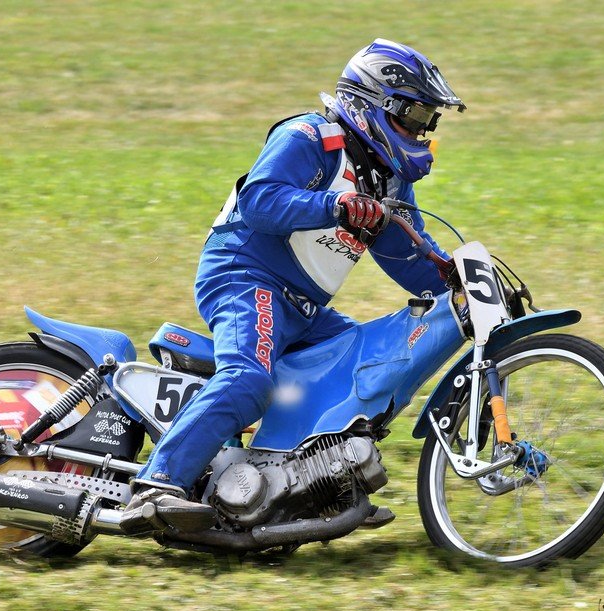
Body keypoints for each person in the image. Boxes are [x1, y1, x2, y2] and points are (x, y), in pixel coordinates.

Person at [121, 38, 465, 534]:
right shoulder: (310, 135)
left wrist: (460, 281)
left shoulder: (390, 182)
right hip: (245, 278)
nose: (420, 130)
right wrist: (335, 206)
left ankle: (311, 485)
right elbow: (259, 200)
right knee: (249, 379)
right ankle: (157, 486)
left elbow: (409, 257)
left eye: (428, 121)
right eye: (412, 116)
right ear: (374, 102)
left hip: (304, 308)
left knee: (366, 367)